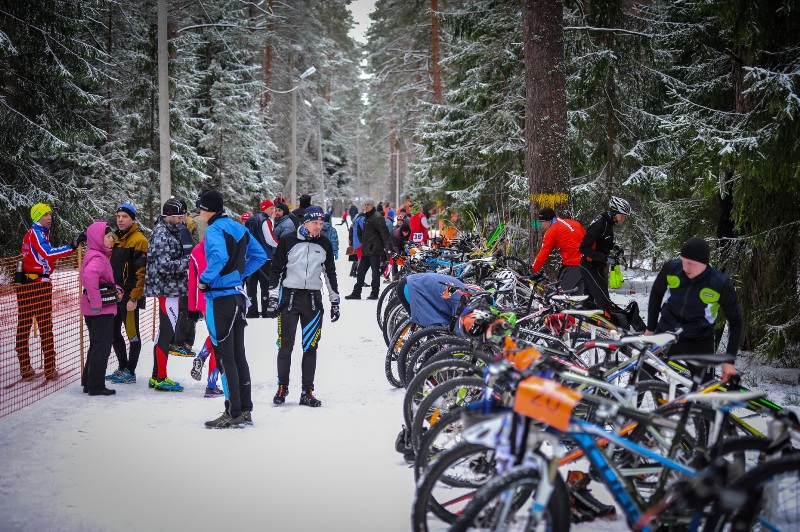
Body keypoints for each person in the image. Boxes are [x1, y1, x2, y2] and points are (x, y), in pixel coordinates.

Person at [197, 189, 267, 428]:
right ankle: (245, 409)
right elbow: (259, 256)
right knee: (238, 356)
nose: (199, 212)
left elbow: (218, 256)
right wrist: (239, 275)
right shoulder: (239, 227)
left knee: (225, 358)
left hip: (220, 300)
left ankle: (233, 411)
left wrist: (205, 280)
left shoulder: (215, 229)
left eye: (200, 208)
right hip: (238, 298)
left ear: (206, 209)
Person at [265, 206, 340, 408]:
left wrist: (334, 301)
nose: (318, 227)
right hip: (289, 298)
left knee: (310, 348)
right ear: (305, 222)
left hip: (313, 301)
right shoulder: (288, 240)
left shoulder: (324, 243)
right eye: (314, 223)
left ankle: (307, 392)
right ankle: (282, 387)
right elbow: (276, 271)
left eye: (321, 223)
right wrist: (273, 298)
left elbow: (329, 274)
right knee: (285, 347)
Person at [645, 237, 743, 382]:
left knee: (704, 394)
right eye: (683, 261)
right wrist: (650, 328)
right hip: (666, 333)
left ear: (704, 263)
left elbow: (736, 321)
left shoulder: (719, 284)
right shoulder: (672, 268)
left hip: (699, 341)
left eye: (691, 263)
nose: (685, 267)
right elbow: (656, 294)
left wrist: (729, 360)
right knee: (640, 377)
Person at [16, 203, 82, 381]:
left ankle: (26, 366)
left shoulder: (37, 233)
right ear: (37, 217)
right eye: (45, 214)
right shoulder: (36, 233)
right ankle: (49, 368)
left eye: (50, 214)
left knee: (25, 324)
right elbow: (48, 253)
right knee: (44, 326)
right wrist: (72, 246)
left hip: (28, 283)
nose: (49, 217)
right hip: (37, 285)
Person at [143, 197, 189, 392]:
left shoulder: (170, 230)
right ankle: (160, 377)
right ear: (168, 216)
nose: (181, 221)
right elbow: (164, 266)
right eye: (178, 217)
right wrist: (188, 262)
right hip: (167, 289)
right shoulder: (162, 233)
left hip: (172, 288)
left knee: (166, 331)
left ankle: (157, 375)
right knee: (167, 333)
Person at [107, 203, 148, 384]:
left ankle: (130, 371)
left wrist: (135, 298)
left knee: (132, 333)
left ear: (132, 219)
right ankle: (122, 367)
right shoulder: (114, 238)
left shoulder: (139, 240)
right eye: (119, 216)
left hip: (130, 296)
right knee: (114, 332)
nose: (121, 220)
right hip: (113, 295)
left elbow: (142, 272)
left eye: (125, 216)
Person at [80, 222, 120, 396]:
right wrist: (97, 303)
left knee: (95, 345)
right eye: (108, 236)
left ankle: (88, 382)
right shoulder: (98, 258)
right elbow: (89, 277)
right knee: (102, 347)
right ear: (98, 238)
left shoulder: (94, 254)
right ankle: (96, 386)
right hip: (100, 311)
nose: (112, 239)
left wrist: (116, 289)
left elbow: (103, 281)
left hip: (93, 310)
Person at [579, 196, 631, 312]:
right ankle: (612, 328)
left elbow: (601, 242)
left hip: (596, 266)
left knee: (589, 302)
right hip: (589, 266)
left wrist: (614, 247)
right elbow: (583, 247)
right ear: (614, 211)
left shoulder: (608, 223)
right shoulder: (600, 224)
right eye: (622, 216)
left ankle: (585, 327)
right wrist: (606, 258)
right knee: (605, 302)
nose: (623, 219)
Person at [186, 236, 224, 397]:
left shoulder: (196, 250)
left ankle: (202, 357)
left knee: (215, 336)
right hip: (221, 298)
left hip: (202, 300)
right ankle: (211, 384)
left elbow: (192, 280)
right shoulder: (222, 249)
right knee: (219, 341)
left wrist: (192, 306)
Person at [346, 198, 391, 300]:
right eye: (365, 204)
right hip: (366, 250)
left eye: (368, 205)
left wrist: (387, 249)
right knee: (360, 272)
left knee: (375, 273)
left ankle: (374, 293)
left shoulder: (377, 217)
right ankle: (356, 292)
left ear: (372, 206)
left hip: (374, 250)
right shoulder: (366, 216)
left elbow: (384, 233)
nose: (366, 206)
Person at [532, 207, 586, 292]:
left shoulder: (552, 231)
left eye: (542, 222)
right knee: (576, 299)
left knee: (557, 296)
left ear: (548, 221)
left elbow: (544, 253)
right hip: (585, 262)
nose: (542, 225)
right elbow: (587, 239)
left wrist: (533, 270)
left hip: (574, 263)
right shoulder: (573, 223)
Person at [170, 203, 198, 357]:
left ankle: (183, 341)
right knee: (187, 307)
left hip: (177, 275)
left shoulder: (174, 229)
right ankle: (179, 342)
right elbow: (189, 254)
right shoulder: (182, 230)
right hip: (186, 275)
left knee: (184, 308)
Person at [244, 199, 278, 317]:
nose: (273, 211)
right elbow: (270, 239)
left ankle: (252, 310)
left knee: (251, 284)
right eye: (271, 208)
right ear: (264, 208)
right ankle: (265, 310)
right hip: (264, 257)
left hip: (250, 257)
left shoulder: (249, 221)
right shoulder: (265, 220)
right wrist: (280, 244)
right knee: (265, 284)